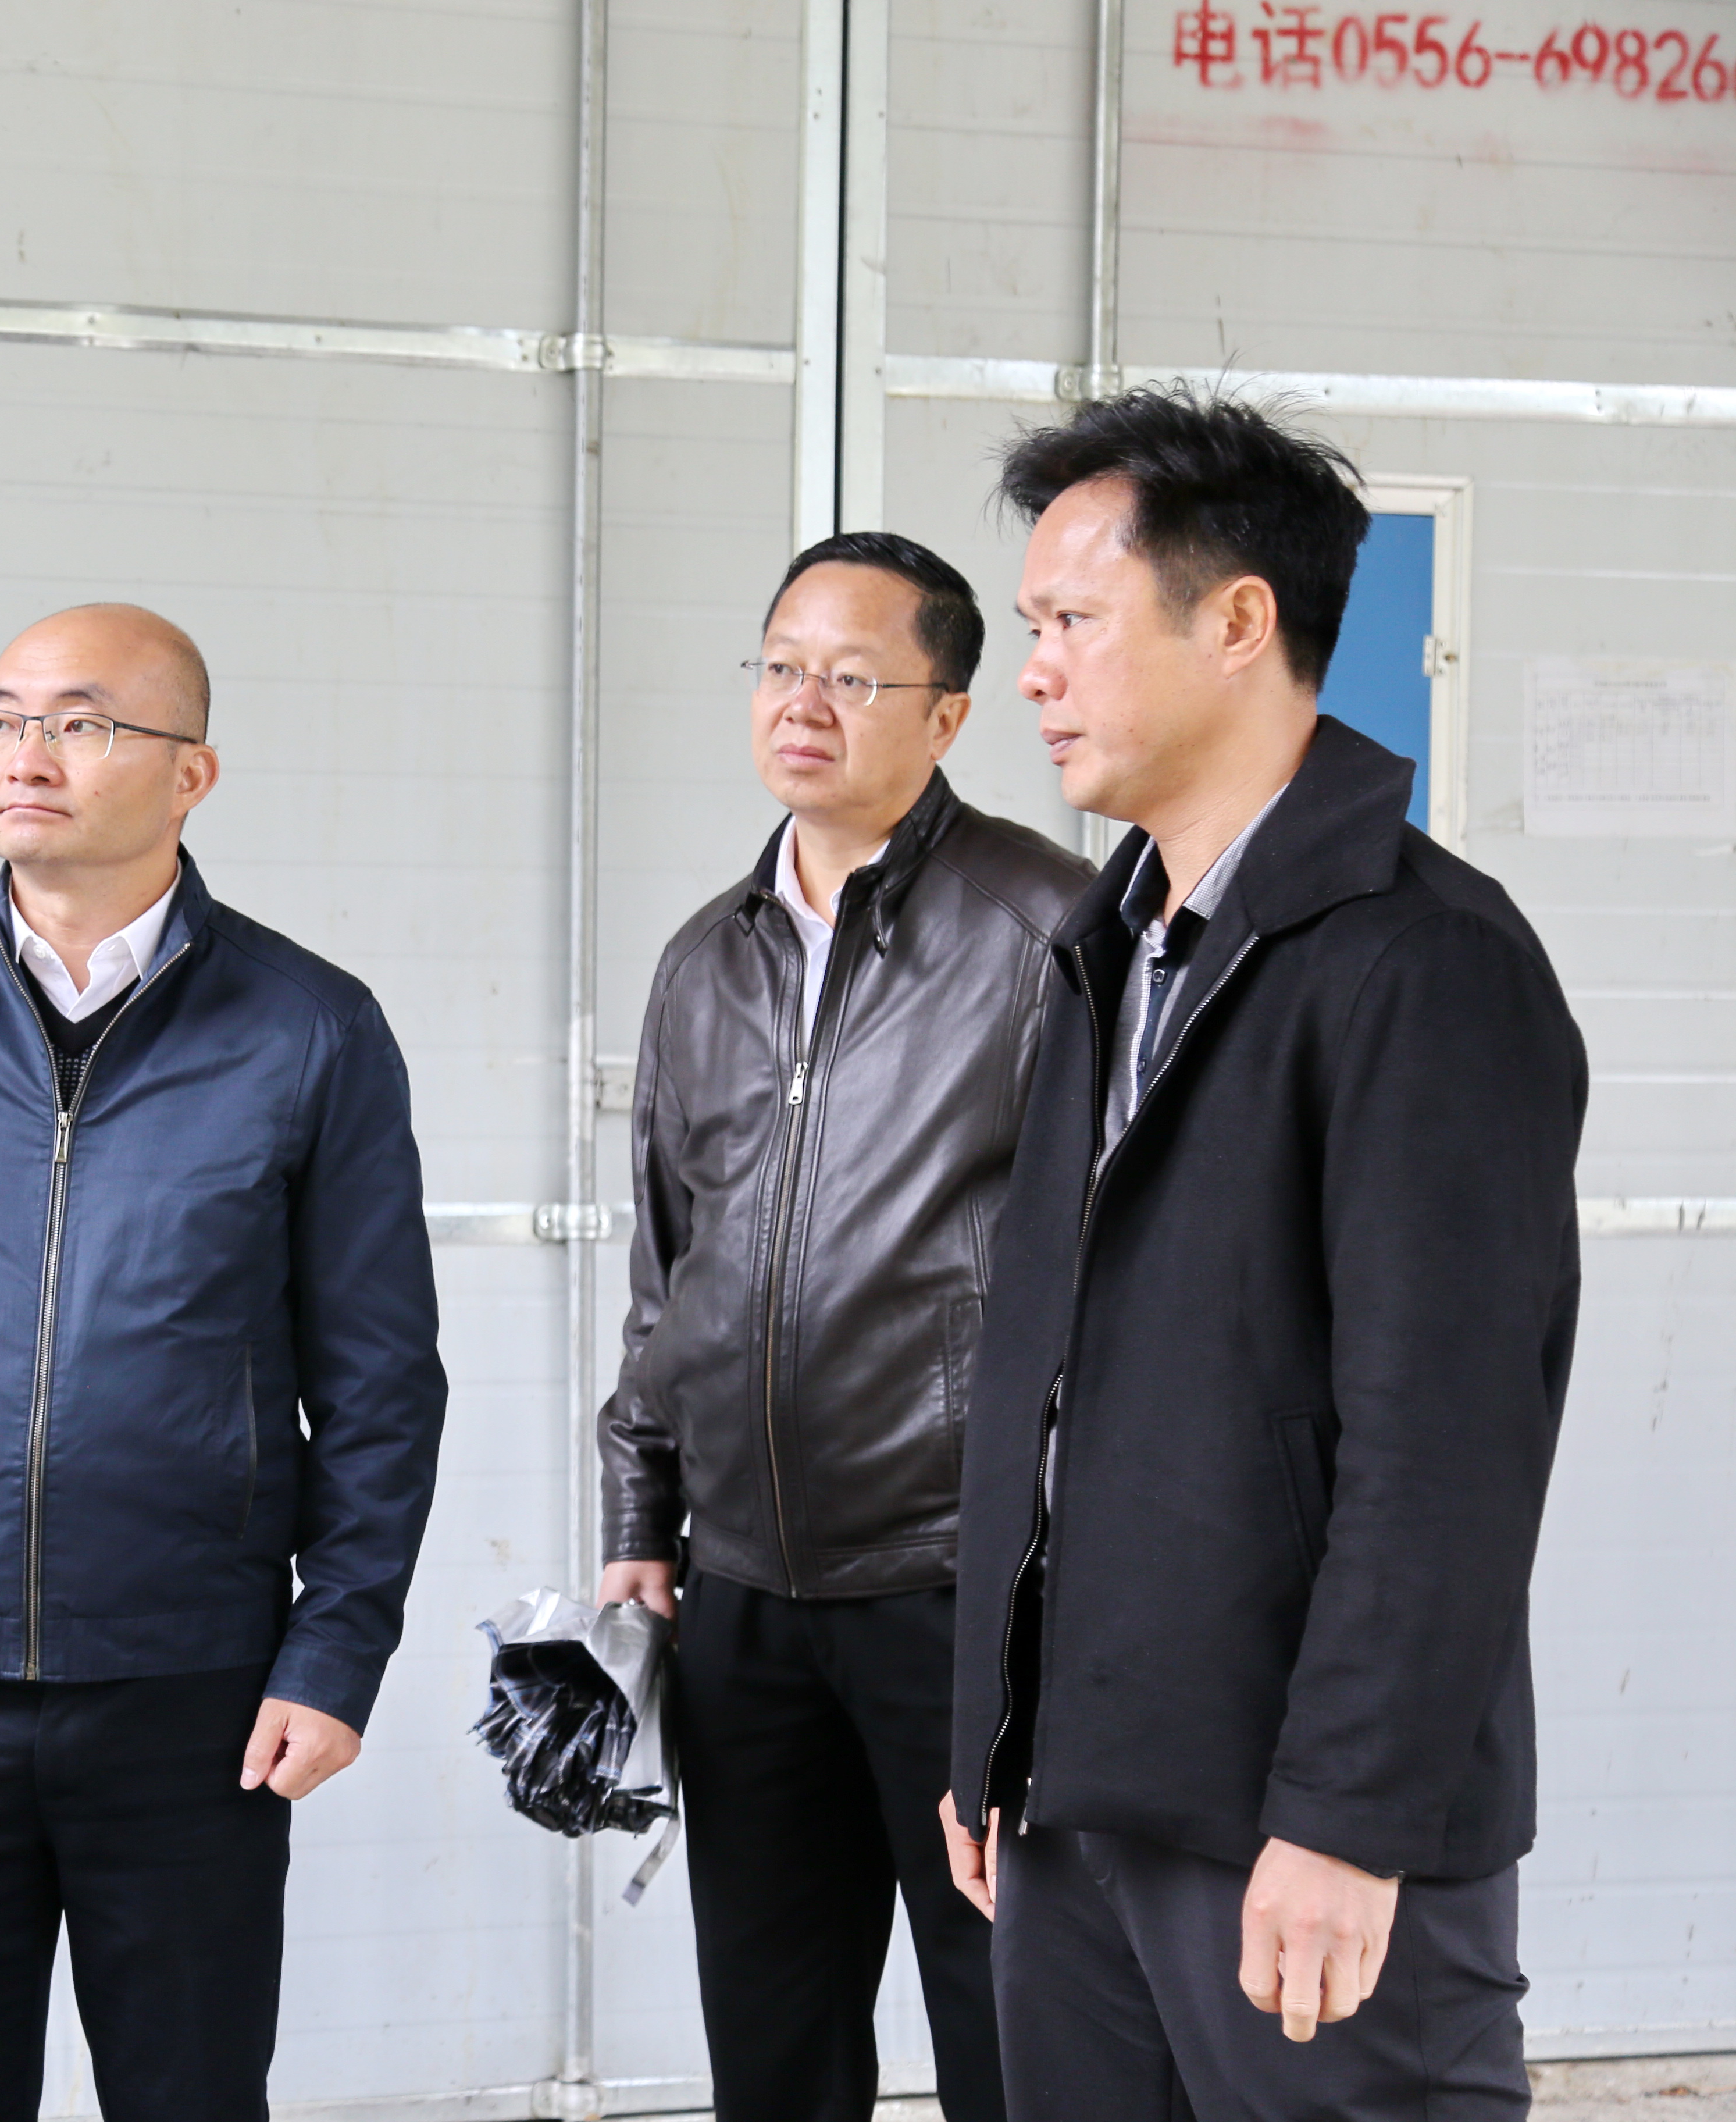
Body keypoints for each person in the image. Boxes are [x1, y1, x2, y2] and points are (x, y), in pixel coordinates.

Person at [941, 389, 1585, 2119]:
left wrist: (1351, 1817)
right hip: (1081, 1789)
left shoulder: (1424, 964)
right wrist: (990, 1725)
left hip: (1297, 1822)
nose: (1034, 674)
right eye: (1030, 628)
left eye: (1072, 622)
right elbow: (1045, 1376)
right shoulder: (1109, 948)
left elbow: (1446, 1449)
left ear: (1237, 621)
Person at [0, 603, 447, 2121]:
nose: (27, 755)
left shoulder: (309, 1032)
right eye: (1, 719)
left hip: (191, 1692)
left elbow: (380, 1385)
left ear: (193, 774)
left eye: (83, 722)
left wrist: (335, 1654)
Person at [595, 533, 1088, 2122]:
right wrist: (640, 1514)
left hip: (963, 1587)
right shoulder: (705, 959)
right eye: (783, 666)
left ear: (948, 716)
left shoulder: (1049, 928)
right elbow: (669, 1270)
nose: (803, 703)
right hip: (743, 1595)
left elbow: (1120, 1272)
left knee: (1011, 2031)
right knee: (774, 2042)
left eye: (855, 677)